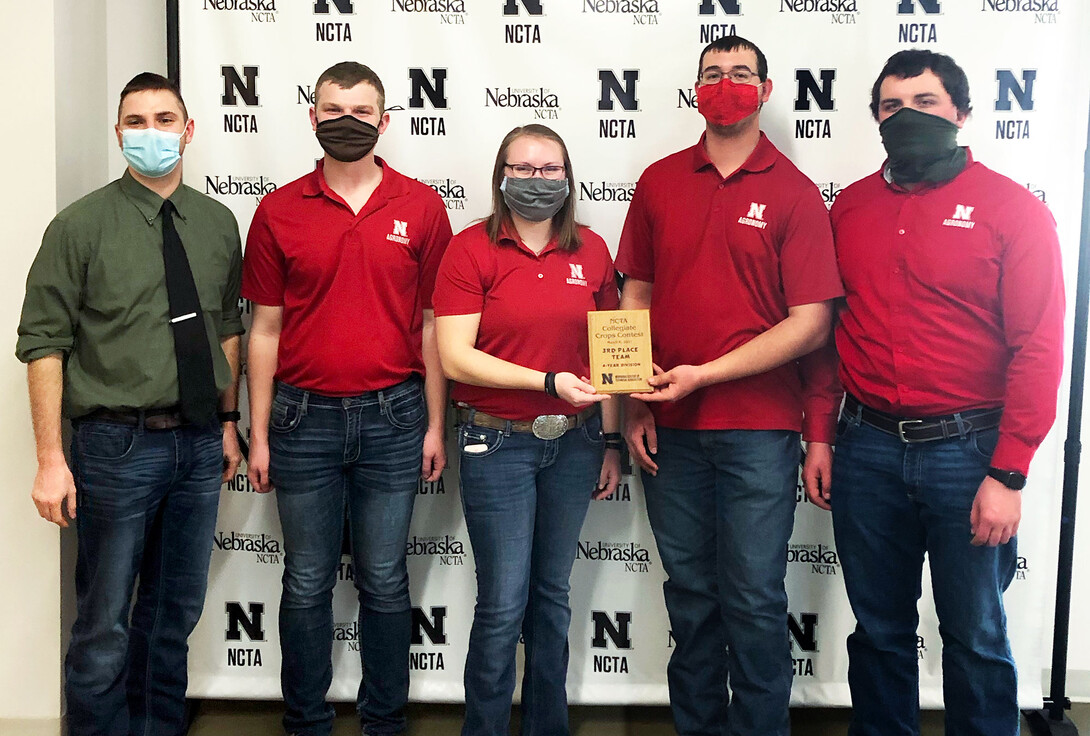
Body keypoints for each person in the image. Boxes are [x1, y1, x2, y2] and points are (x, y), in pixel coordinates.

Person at [803, 49, 1065, 736]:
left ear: (961, 113)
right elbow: (831, 334)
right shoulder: (850, 208)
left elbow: (1038, 347)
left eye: (924, 103)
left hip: (969, 453)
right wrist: (822, 437)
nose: (906, 117)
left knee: (975, 633)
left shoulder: (1014, 211)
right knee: (880, 629)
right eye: (891, 107)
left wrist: (1008, 471)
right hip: (865, 449)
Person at [615, 36, 843, 736]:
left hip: (758, 433)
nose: (727, 84)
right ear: (695, 90)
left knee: (751, 600)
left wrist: (704, 375)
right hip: (669, 437)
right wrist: (631, 404)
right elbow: (637, 296)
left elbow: (810, 325)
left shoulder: (795, 194)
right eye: (712, 74)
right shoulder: (658, 181)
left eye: (742, 74)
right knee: (691, 600)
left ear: (766, 90)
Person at [16, 72, 243, 735]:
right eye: (137, 122)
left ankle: (157, 728)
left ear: (189, 129)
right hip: (115, 446)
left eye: (165, 119)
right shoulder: (79, 226)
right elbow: (43, 345)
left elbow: (225, 328)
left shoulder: (217, 222)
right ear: (119, 134)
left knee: (173, 613)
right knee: (105, 622)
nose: (152, 132)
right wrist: (50, 459)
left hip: (199, 445)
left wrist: (227, 423)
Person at [243, 61, 452, 736]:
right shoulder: (277, 209)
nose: (348, 121)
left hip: (396, 417)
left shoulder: (420, 206)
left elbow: (432, 327)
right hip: (300, 418)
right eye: (334, 109)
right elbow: (264, 328)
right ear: (312, 116)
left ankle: (383, 721)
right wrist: (260, 432)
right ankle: (304, 722)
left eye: (363, 111)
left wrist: (435, 427)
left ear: (385, 121)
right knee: (305, 580)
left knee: (385, 580)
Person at [433, 124, 623, 736]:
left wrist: (612, 437)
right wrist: (546, 381)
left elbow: (612, 353)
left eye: (549, 170)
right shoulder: (469, 251)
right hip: (496, 444)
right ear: (501, 176)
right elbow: (456, 356)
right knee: (501, 605)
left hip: (577, 443)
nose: (537, 181)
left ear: (567, 179)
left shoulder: (592, 250)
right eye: (524, 169)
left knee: (552, 597)